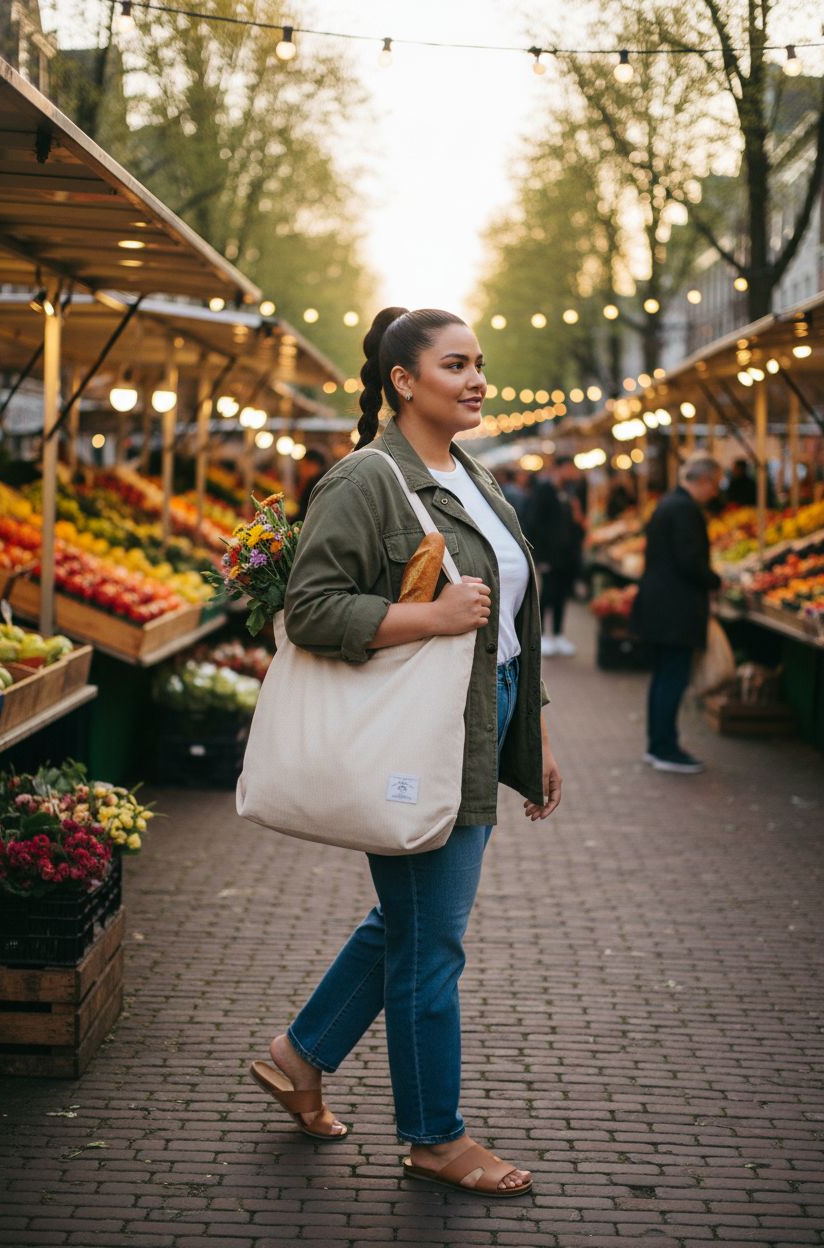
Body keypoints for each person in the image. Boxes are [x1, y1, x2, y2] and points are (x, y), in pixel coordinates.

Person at [248, 307, 562, 1198]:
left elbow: (505, 623)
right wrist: (429, 615)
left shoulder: (469, 474)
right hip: (418, 734)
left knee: (410, 923)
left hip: (480, 716)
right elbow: (309, 610)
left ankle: (298, 1056)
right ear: (402, 380)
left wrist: (528, 734)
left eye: (480, 365)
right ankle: (434, 1137)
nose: (476, 381)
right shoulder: (365, 478)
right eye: (456, 365)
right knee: (432, 943)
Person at [632, 453, 722, 774]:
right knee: (672, 678)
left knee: (663, 678)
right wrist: (715, 580)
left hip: (661, 606)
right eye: (715, 484)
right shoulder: (684, 509)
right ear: (703, 479)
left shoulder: (669, 504)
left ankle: (659, 744)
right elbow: (690, 561)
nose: (716, 492)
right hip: (674, 609)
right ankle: (664, 747)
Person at [523, 456, 585, 657]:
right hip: (549, 556)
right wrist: (539, 556)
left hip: (566, 556)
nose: (574, 473)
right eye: (570, 468)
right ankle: (541, 635)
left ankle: (558, 633)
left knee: (561, 594)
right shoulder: (544, 491)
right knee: (547, 594)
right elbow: (533, 524)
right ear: (561, 468)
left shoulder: (567, 493)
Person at [295, 447, 328, 520]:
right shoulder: (324, 481)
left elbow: (304, 514)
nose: (301, 470)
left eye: (303, 465)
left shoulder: (316, 484)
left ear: (313, 465)